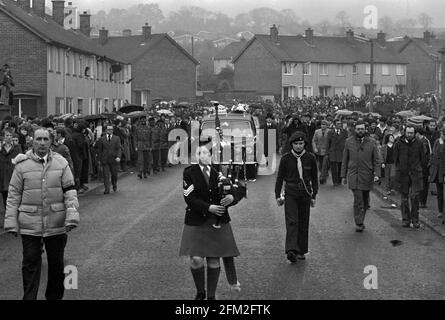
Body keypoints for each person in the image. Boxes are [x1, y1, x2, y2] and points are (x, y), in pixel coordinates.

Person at [3, 127, 79, 300]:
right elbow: (13, 195)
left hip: (56, 222)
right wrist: (11, 222)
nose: (42, 143)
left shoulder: (61, 163)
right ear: (32, 141)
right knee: (30, 264)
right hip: (30, 223)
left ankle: (54, 296)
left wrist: (72, 216)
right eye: (39, 139)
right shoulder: (21, 165)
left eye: (46, 139)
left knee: (56, 265)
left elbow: (70, 192)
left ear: (51, 141)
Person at [179, 143, 242, 300]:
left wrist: (232, 197)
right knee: (196, 259)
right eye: (200, 153)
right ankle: (201, 292)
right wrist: (209, 207)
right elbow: (189, 198)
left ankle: (211, 296)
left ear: (211, 156)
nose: (203, 155)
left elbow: (237, 188)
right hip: (197, 219)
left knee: (214, 260)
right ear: (196, 156)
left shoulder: (220, 171)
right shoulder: (189, 173)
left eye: (206, 153)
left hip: (217, 221)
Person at [275, 131, 318, 262]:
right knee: (292, 220)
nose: (298, 146)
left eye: (301, 144)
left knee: (303, 221)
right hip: (291, 193)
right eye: (296, 144)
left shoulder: (310, 158)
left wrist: (314, 195)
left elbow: (314, 178)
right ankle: (291, 250)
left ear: (305, 144)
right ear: (291, 144)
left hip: (305, 193)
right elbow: (280, 178)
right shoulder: (286, 158)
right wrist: (277, 195)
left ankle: (301, 250)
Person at [341, 121, 381, 232]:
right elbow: (345, 159)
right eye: (358, 129)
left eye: (362, 129)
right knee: (358, 199)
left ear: (365, 129)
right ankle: (358, 222)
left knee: (364, 198)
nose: (360, 131)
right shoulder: (348, 142)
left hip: (366, 175)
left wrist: (377, 174)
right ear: (355, 129)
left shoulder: (372, 142)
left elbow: (376, 160)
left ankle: (361, 219)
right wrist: (343, 175)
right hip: (353, 174)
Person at [393, 125, 425, 228]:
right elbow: (396, 159)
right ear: (404, 133)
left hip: (416, 173)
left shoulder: (419, 143)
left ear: (414, 133)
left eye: (411, 133)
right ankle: (406, 219)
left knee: (415, 197)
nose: (410, 135)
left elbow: (423, 158)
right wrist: (400, 169)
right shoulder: (398, 144)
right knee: (404, 198)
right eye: (408, 133)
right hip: (403, 174)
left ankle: (415, 220)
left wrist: (419, 168)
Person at [0, 129, 22, 210]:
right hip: (2, 175)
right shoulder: (1, 148)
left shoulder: (17, 148)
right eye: (7, 135)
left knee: (14, 197)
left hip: (13, 175)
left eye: (10, 136)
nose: (9, 137)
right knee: (4, 196)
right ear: (3, 137)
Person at [97, 125, 121, 194]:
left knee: (114, 174)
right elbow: (100, 150)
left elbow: (119, 148)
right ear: (106, 131)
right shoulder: (102, 139)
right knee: (106, 175)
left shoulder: (117, 138)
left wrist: (118, 156)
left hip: (114, 159)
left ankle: (114, 184)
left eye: (111, 129)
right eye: (109, 129)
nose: (110, 131)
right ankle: (107, 189)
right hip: (105, 160)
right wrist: (99, 159)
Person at [429, 127, 445, 220]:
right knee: (439, 192)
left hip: (443, 169)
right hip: (438, 170)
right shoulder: (437, 142)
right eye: (442, 133)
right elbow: (434, 154)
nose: (442, 136)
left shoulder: (442, 143)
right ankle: (440, 211)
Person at [326, 119, 347, 186]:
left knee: (341, 166)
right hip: (333, 152)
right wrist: (327, 152)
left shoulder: (344, 132)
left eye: (340, 123)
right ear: (334, 125)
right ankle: (335, 181)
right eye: (338, 123)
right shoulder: (330, 132)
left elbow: (346, 142)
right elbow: (328, 143)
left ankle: (339, 180)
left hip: (341, 151)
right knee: (333, 167)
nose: (339, 125)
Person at [416, 128, 431, 208]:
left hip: (423, 166)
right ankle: (421, 201)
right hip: (423, 165)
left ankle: (422, 201)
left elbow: (426, 153)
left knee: (423, 184)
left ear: (418, 133)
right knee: (422, 183)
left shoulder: (423, 142)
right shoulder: (426, 140)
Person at [312, 120, 330, 184]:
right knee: (320, 164)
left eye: (325, 124)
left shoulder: (329, 131)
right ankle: (323, 174)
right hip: (319, 151)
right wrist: (315, 148)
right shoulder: (317, 132)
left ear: (327, 125)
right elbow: (314, 141)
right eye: (322, 124)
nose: (323, 126)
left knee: (325, 164)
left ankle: (322, 177)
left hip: (327, 151)